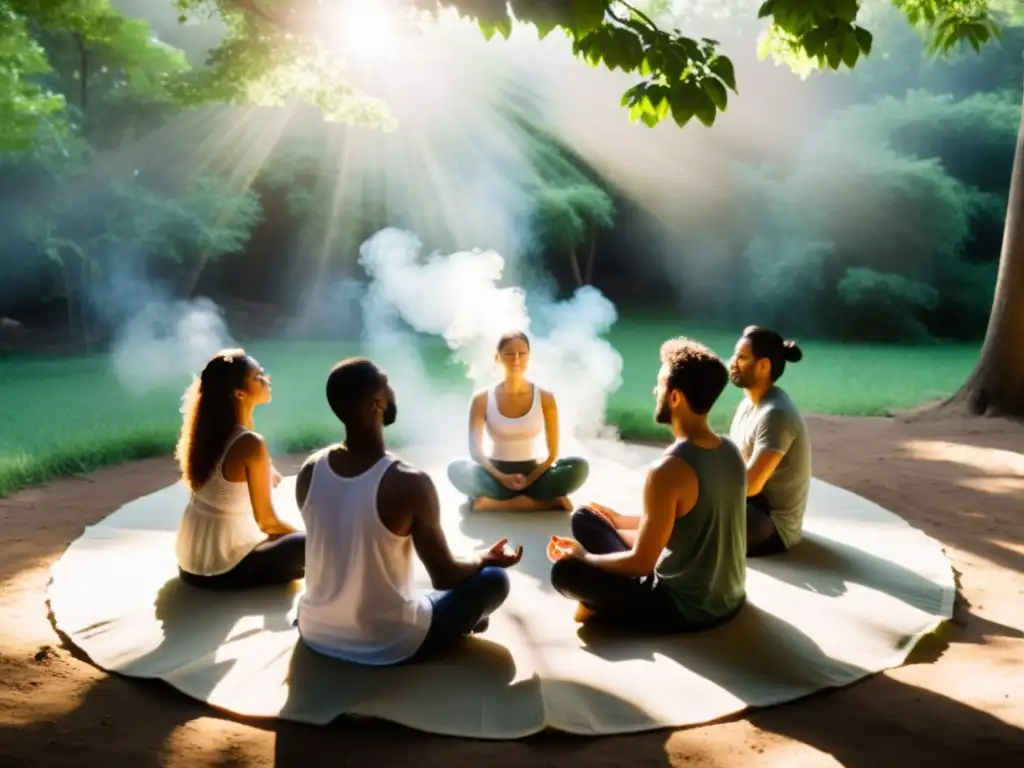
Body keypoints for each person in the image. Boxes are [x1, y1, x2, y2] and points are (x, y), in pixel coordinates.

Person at [295, 357, 523, 666]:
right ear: (377, 402)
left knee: (417, 586)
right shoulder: (409, 482)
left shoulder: (310, 470)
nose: (393, 390)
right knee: (494, 579)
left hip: (315, 631)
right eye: (387, 384)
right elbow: (445, 575)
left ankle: (462, 620)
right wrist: (485, 558)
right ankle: (461, 621)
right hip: (386, 642)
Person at [547, 337, 747, 632]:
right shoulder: (730, 451)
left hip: (682, 608)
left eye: (661, 384)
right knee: (587, 518)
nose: (656, 391)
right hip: (730, 598)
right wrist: (617, 519)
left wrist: (584, 558)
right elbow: (689, 520)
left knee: (566, 572)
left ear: (675, 397)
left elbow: (642, 562)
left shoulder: (666, 470)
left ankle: (596, 601)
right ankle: (600, 586)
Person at [174, 349, 305, 590]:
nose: (267, 379)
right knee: (307, 545)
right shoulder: (249, 443)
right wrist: (316, 542)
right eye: (258, 376)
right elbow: (267, 522)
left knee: (296, 545)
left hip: (190, 563)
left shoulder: (213, 432)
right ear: (239, 393)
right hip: (221, 569)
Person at [447, 331, 590, 512]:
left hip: (535, 474)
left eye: (522, 354)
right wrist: (501, 477)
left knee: (578, 466)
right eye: (508, 354)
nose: (516, 360)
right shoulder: (482, 398)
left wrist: (530, 479)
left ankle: (494, 504)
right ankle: (544, 503)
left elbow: (552, 455)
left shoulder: (545, 397)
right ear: (497, 358)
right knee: (456, 468)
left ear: (529, 357)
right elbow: (476, 452)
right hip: (495, 473)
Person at [727, 325, 812, 557]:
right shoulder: (747, 405)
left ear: (763, 366)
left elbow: (751, 485)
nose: (732, 362)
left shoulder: (776, 414)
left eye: (742, 357)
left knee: (694, 509)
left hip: (769, 524)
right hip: (749, 505)